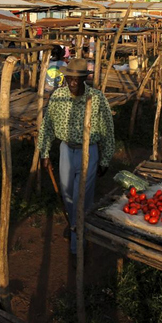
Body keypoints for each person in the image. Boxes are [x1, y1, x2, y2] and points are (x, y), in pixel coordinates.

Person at [37, 58, 115, 255]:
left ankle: (77, 239)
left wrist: (105, 159)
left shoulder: (96, 98)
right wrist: (44, 152)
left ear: (84, 79)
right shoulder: (58, 96)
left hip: (89, 151)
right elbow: (47, 125)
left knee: (83, 197)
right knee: (67, 193)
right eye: (70, 78)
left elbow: (107, 129)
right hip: (66, 149)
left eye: (77, 79)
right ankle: (76, 224)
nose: (72, 82)